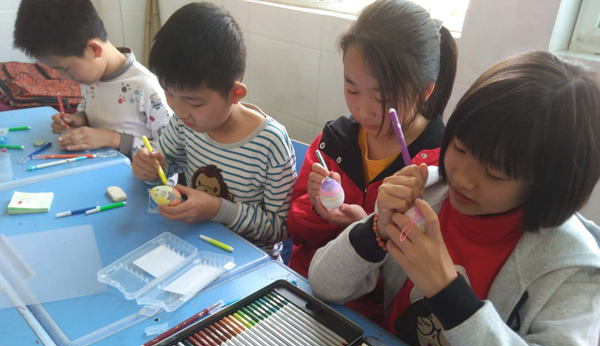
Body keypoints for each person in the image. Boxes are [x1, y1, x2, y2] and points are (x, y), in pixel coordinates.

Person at [309, 51, 600, 346]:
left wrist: (448, 292)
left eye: (495, 173)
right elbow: (323, 283)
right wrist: (375, 229)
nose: (462, 178)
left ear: (546, 184)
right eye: (460, 148)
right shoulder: (427, 191)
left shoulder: (572, 269)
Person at [287, 0, 457, 278]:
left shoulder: (440, 169)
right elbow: (295, 232)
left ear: (423, 91)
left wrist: (368, 230)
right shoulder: (333, 142)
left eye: (382, 97)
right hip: (303, 286)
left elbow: (418, 277)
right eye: (352, 90)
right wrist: (319, 210)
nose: (363, 111)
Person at [132, 2, 296, 257]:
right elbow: (166, 169)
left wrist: (218, 209)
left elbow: (280, 228)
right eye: (169, 93)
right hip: (193, 247)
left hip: (251, 262)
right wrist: (151, 169)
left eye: (195, 103)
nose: (179, 110)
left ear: (235, 94)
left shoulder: (270, 143)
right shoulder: (185, 123)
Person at [13, 0, 171, 157]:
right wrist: (79, 120)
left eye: (65, 69)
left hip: (136, 173)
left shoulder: (147, 88)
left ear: (94, 49)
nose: (64, 78)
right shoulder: (91, 79)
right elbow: (88, 109)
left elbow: (169, 152)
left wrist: (111, 139)